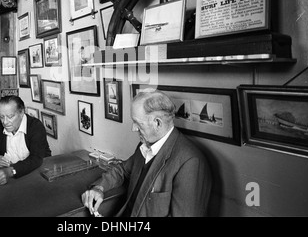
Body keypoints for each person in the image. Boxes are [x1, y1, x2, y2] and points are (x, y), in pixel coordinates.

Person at [82, 89, 212, 217]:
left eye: (137, 123)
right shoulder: (146, 144)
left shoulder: (190, 162)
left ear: (157, 123)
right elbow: (122, 170)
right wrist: (99, 188)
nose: (133, 128)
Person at [0, 96, 51, 185]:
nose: (5, 122)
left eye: (10, 116)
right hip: (11, 178)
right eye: (2, 117)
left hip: (37, 174)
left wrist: (11, 171)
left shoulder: (35, 126)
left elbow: (37, 158)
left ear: (21, 112)